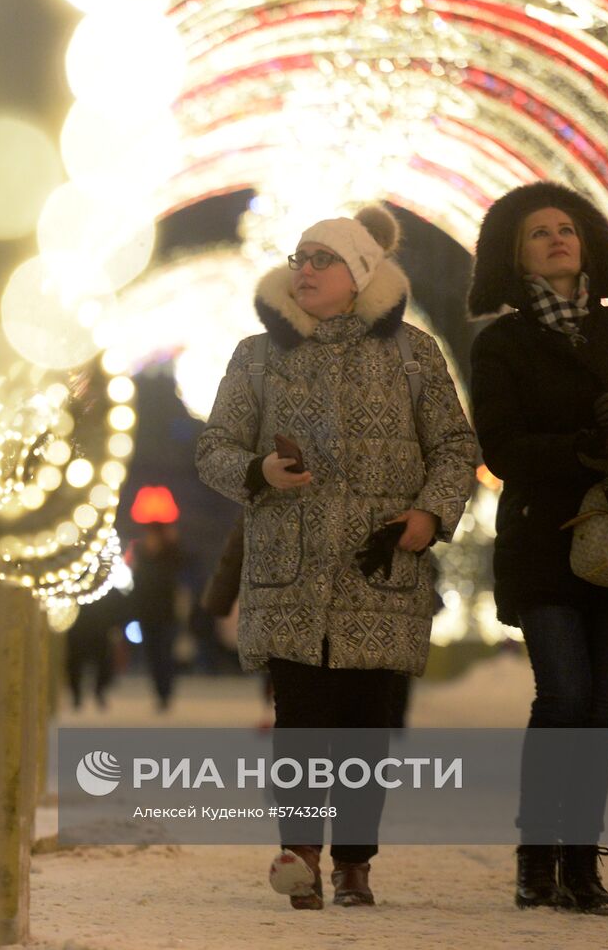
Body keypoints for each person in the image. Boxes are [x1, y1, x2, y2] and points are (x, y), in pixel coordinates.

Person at [196, 204, 476, 909]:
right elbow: (214, 449)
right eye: (299, 258)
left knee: (363, 726)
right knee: (299, 720)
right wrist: (260, 470)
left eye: (323, 259)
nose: (307, 270)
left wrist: (429, 515)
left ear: (359, 274)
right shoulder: (256, 356)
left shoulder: (413, 353)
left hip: (378, 569)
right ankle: (300, 852)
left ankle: (354, 861)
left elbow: (454, 448)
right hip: (289, 572)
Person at [467, 181, 608, 915]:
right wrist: (582, 447)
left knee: (596, 704)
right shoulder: (501, 342)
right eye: (538, 233)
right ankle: (536, 855)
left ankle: (581, 862)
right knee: (561, 693)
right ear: (514, 256)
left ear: (587, 243)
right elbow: (501, 446)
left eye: (567, 228)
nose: (557, 238)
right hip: (543, 539)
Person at [128, 521, 184, 711]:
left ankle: (165, 694)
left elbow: (183, 562)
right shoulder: (141, 556)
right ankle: (159, 693)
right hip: (147, 614)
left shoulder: (169, 556)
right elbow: (136, 586)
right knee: (153, 656)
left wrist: (173, 542)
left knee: (164, 655)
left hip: (166, 615)